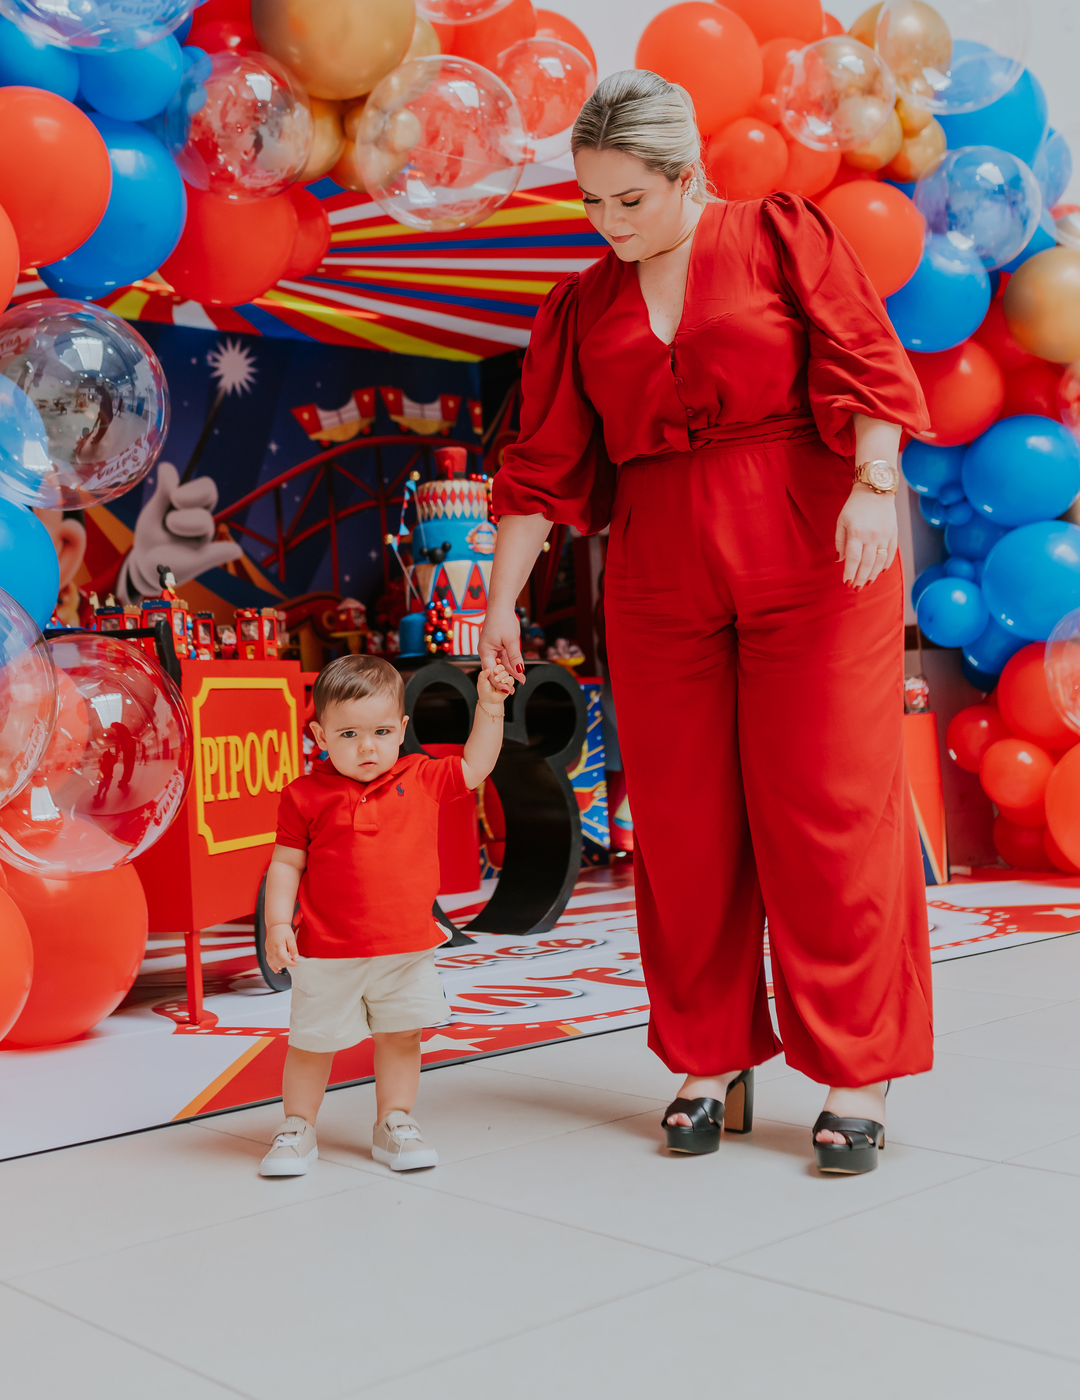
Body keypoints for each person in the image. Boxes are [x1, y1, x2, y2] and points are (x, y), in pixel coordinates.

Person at [480, 70, 934, 1177]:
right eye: (590, 202)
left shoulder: (781, 235)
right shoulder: (580, 305)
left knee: (827, 806)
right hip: (657, 566)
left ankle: (853, 1069)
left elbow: (868, 365)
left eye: (630, 200)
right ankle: (708, 1058)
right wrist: (499, 603)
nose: (608, 223)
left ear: (690, 177)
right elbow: (540, 467)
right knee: (682, 824)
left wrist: (875, 481)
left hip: (816, 543)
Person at [258, 653, 514, 1177]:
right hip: (327, 953)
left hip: (407, 949)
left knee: (402, 1036)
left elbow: (476, 765)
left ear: (401, 729)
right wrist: (278, 923)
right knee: (312, 1044)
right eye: (348, 734)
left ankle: (394, 1121)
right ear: (320, 735)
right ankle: (297, 1126)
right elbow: (286, 863)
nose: (366, 747)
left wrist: (490, 706)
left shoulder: (419, 777)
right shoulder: (305, 795)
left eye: (379, 731)